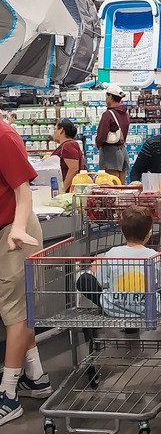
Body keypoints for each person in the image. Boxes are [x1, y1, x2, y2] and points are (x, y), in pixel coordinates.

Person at [0, 118, 52, 426]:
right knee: (15, 308)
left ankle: (8, 395)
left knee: (16, 313)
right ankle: (35, 377)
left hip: (14, 232)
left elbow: (23, 191)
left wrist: (17, 228)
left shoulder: (4, 136)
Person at [75, 205, 160, 318]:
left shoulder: (112, 254)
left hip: (113, 308)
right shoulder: (154, 256)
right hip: (146, 309)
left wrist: (96, 271)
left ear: (122, 232)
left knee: (84, 280)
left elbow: (103, 283)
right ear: (149, 234)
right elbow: (158, 285)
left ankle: (117, 310)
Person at [95, 84, 131, 183]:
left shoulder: (108, 115)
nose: (106, 99)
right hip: (122, 151)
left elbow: (101, 135)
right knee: (121, 184)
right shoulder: (126, 114)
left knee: (112, 184)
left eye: (107, 96)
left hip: (110, 153)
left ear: (110, 97)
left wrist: (98, 143)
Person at [51, 119, 86, 192]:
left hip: (69, 191)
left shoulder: (68, 145)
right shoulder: (66, 145)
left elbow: (73, 169)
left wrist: (62, 190)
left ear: (61, 130)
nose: (53, 132)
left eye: (55, 129)